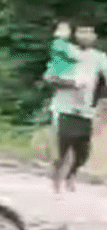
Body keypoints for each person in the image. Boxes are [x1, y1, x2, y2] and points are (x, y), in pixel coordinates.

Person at [43, 15, 107, 194]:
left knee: (82, 150)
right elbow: (48, 77)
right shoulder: (64, 53)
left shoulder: (99, 58)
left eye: (89, 32)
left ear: (95, 36)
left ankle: (72, 174)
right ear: (75, 34)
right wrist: (70, 83)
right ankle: (57, 180)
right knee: (62, 147)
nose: (86, 35)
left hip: (86, 110)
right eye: (82, 31)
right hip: (64, 107)